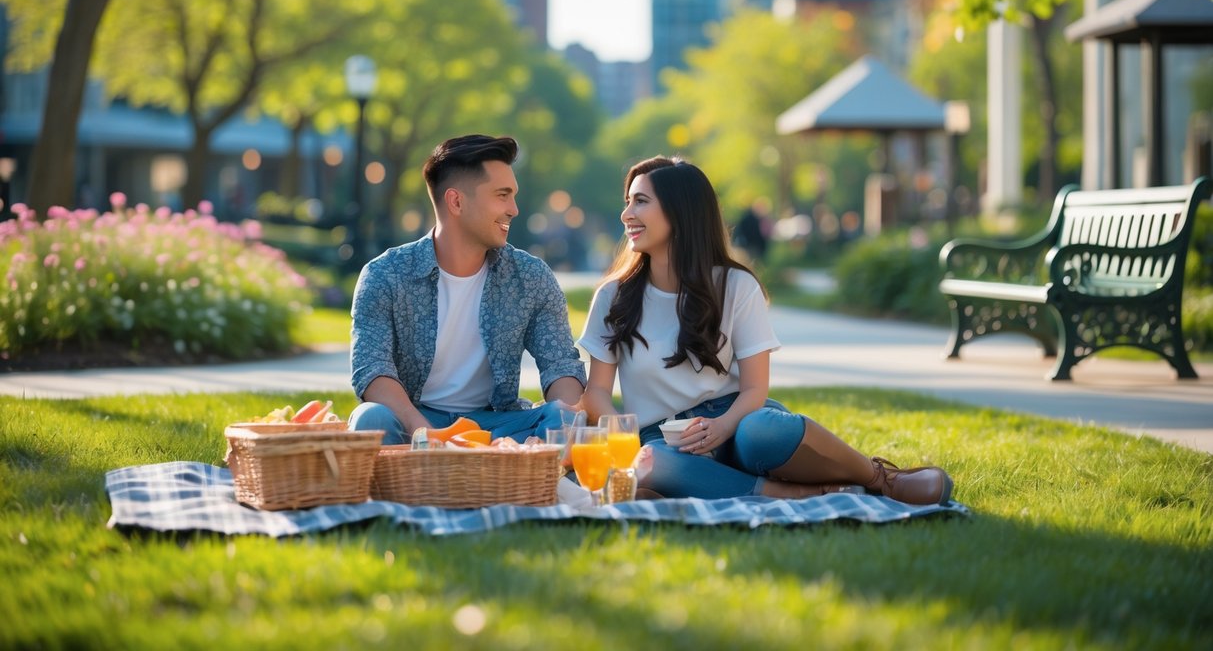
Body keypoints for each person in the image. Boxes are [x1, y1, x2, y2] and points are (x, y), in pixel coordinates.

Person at [578, 155, 953, 504]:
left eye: (640, 201)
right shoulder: (614, 296)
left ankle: (880, 479)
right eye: (628, 201)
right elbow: (596, 391)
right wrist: (625, 439)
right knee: (653, 464)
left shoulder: (736, 286)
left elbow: (756, 388)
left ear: (681, 212)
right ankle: (792, 494)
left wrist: (722, 427)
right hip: (662, 438)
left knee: (765, 433)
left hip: (735, 417)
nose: (627, 213)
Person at [348, 134, 586, 443]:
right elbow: (371, 369)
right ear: (456, 201)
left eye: (513, 196)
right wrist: (425, 433)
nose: (514, 209)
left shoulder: (530, 277)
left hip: (495, 424)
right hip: (414, 418)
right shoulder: (385, 274)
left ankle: (528, 475)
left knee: (563, 417)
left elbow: (561, 365)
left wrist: (564, 416)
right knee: (372, 418)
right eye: (502, 195)